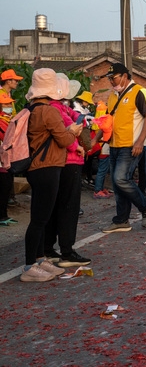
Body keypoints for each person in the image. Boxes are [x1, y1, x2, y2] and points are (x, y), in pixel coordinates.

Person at [20, 69, 83, 282]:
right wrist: (73, 130)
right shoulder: (49, 111)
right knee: (40, 220)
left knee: (40, 217)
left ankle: (39, 259)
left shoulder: (31, 108)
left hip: (36, 167)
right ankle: (30, 266)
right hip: (47, 167)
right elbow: (64, 140)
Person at [100, 63, 146, 233]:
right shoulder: (113, 96)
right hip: (114, 144)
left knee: (120, 179)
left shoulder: (139, 91)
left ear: (125, 76)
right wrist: (97, 139)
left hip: (131, 145)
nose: (111, 81)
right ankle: (121, 220)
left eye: (114, 77)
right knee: (118, 186)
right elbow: (108, 119)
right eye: (109, 78)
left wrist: (140, 141)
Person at [42, 78, 92, 268]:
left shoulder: (57, 107)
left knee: (56, 207)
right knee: (68, 207)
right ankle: (67, 251)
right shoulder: (57, 109)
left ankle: (48, 249)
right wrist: (76, 145)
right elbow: (64, 133)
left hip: (60, 162)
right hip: (70, 161)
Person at [0, 91, 17, 227]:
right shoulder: (2, 121)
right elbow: (8, 136)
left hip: (6, 159)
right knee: (3, 188)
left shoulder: (7, 119)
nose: (9, 105)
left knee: (6, 188)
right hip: (1, 161)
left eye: (10, 103)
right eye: (6, 103)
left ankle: (4, 215)